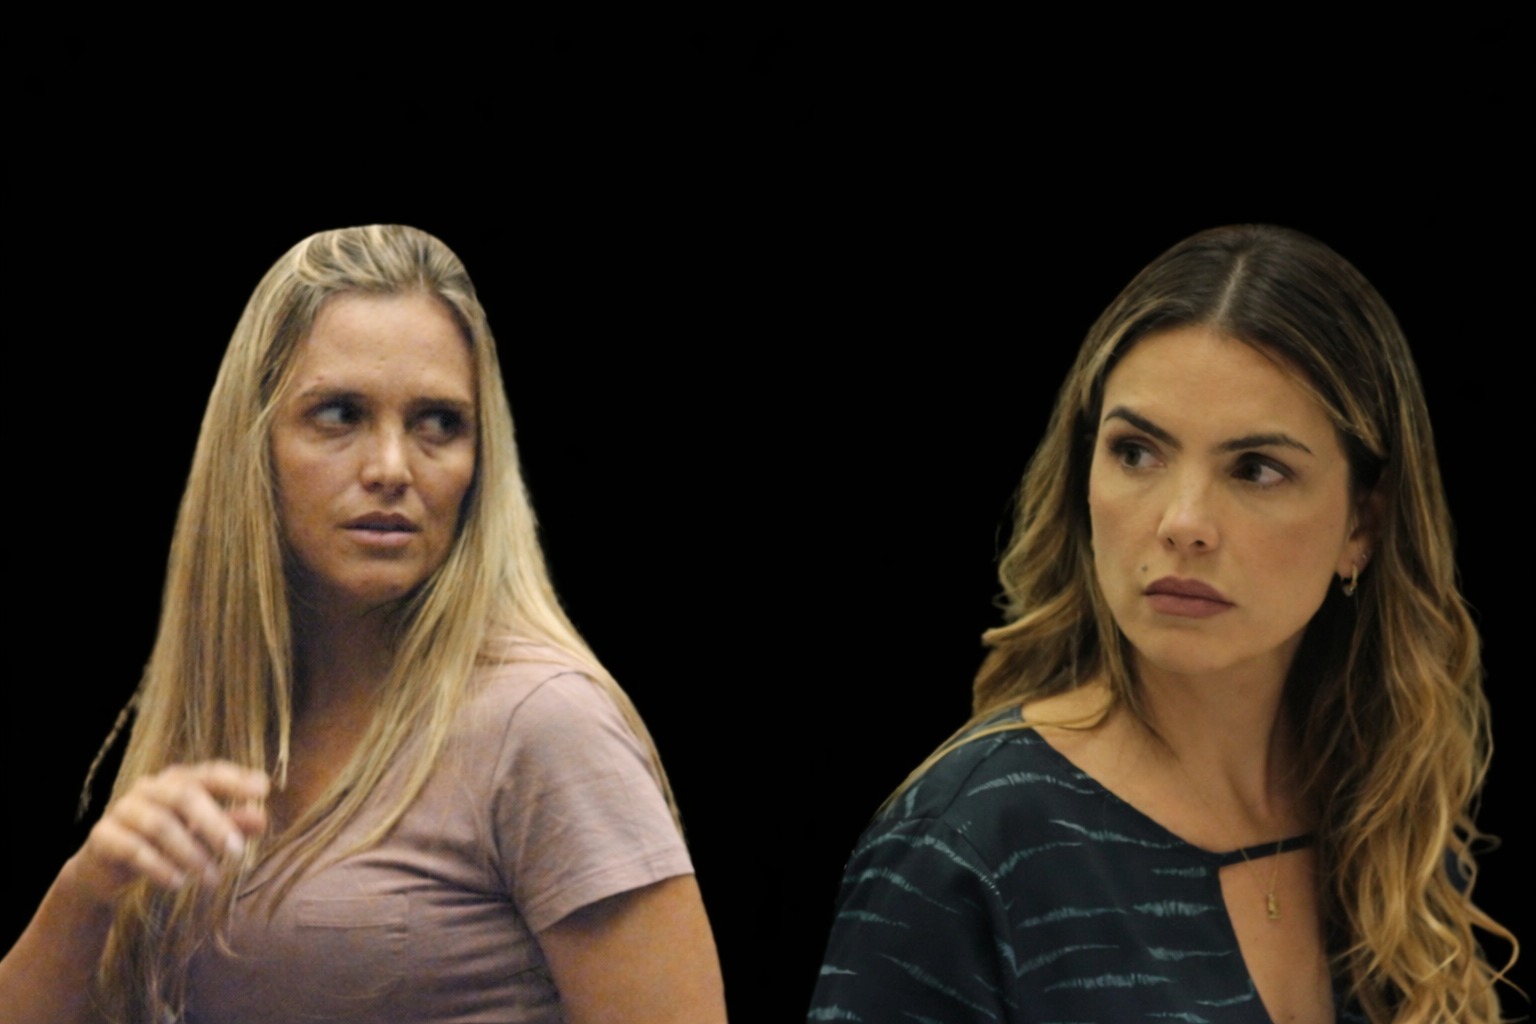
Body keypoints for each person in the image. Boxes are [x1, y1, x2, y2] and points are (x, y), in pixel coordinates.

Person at [0, 225, 727, 1023]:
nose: (390, 467)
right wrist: (89, 889)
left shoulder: (544, 723)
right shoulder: (229, 718)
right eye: (340, 414)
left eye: (439, 422)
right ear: (253, 444)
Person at [807, 225, 1513, 1022]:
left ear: (1364, 525)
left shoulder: (1389, 813)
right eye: (1137, 452)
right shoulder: (968, 843)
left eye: (1256, 469)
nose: (1183, 523)